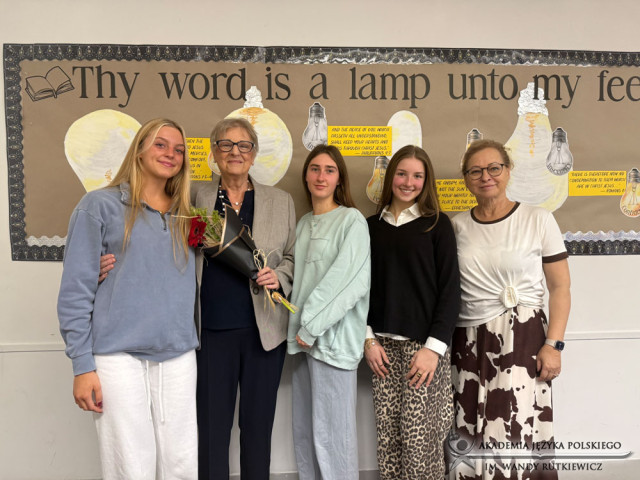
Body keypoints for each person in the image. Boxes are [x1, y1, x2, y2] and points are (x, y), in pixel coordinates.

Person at [57, 118, 199, 479]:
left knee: (182, 463)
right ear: (139, 150)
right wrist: (82, 366)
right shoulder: (98, 206)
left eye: (179, 149)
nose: (171, 154)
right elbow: (75, 291)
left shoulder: (188, 214)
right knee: (130, 465)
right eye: (161, 144)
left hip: (179, 353)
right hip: (117, 356)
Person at [450, 139, 571, 479]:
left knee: (515, 425)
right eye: (476, 171)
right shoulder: (456, 227)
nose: (485, 176)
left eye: (494, 168)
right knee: (469, 424)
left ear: (508, 170)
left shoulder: (538, 219)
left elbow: (560, 287)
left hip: (523, 337)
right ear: (466, 178)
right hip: (469, 339)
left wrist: (554, 345)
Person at [195, 117, 296, 480]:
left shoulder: (281, 201)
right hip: (211, 332)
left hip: (264, 335)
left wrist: (279, 276)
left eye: (243, 145)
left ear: (253, 154)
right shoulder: (196, 197)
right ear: (214, 152)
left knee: (257, 430)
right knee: (211, 430)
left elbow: (292, 257)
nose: (234, 152)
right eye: (225, 144)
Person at [364, 145, 461, 480]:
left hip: (424, 350)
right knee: (389, 439)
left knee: (421, 442)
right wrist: (367, 339)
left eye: (417, 176)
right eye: (402, 174)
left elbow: (450, 292)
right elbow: (358, 289)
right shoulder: (370, 227)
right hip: (382, 351)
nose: (408, 182)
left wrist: (433, 350)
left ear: (426, 180)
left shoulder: (437, 225)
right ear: (390, 176)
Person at [287, 144, 370, 480]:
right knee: (306, 434)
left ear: (340, 179)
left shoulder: (352, 220)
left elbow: (349, 283)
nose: (321, 176)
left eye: (329, 170)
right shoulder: (303, 223)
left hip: (333, 342)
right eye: (315, 169)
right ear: (306, 176)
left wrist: (310, 326)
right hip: (302, 343)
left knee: (334, 439)